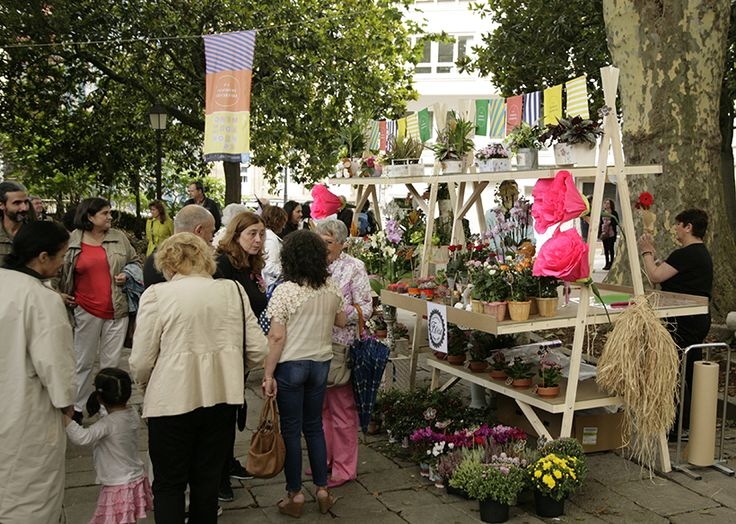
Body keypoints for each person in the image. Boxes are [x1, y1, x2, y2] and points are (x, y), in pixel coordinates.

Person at [130, 233, 267, 523]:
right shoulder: (232, 291)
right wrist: (228, 364)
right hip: (222, 398)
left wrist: (146, 384)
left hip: (170, 401)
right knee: (206, 485)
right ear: (206, 259)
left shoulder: (157, 295)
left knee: (169, 484)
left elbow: (141, 360)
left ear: (166, 262)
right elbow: (258, 350)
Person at [262, 230, 347, 518]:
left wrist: (268, 374)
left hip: (291, 365)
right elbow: (342, 320)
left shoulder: (285, 291)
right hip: (320, 363)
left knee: (290, 430)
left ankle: (295, 494)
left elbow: (276, 337)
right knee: (314, 427)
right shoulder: (330, 287)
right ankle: (323, 490)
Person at [0, 221, 76, 523]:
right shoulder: (42, 299)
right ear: (42, 257)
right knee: (29, 495)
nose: (63, 264)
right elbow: (56, 365)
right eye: (61, 257)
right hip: (26, 411)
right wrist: (67, 404)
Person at [59, 197, 139, 424]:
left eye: (109, 212)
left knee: (110, 364)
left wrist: (128, 274)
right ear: (90, 217)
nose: (110, 217)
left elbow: (135, 262)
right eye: (105, 213)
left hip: (116, 309)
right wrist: (59, 295)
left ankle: (108, 409)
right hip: (85, 309)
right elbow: (57, 271)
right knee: (82, 361)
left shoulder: (119, 238)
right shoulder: (72, 240)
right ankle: (77, 407)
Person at [638, 208, 712, 438]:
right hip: (698, 319)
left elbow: (656, 276)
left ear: (688, 227)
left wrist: (646, 252)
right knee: (687, 371)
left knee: (674, 371)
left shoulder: (686, 254)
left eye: (678, 225)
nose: (675, 229)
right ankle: (685, 422)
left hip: (683, 320)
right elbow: (673, 275)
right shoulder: (700, 253)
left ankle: (675, 423)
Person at [214, 211, 268, 501]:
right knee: (224, 413)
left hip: (242, 350)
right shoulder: (223, 264)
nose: (258, 240)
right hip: (226, 349)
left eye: (261, 234)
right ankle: (219, 477)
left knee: (234, 409)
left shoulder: (249, 264)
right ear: (235, 236)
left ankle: (228, 463)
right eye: (251, 234)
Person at [316, 219, 373, 488]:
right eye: (320, 241)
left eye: (328, 243)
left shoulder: (353, 267)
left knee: (341, 409)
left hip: (341, 347)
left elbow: (366, 308)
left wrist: (339, 314)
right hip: (313, 344)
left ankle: (344, 467)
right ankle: (323, 460)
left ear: (342, 244)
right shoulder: (313, 264)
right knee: (321, 408)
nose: (323, 247)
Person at [64, 368, 153, 524]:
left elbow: (82, 437)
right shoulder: (132, 414)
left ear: (100, 398)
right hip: (134, 477)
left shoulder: (107, 424)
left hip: (117, 484)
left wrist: (66, 420)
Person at [143, 204, 216, 288]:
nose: (213, 238)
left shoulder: (152, 262)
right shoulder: (204, 264)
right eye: (212, 232)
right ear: (199, 230)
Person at [0, 180, 30, 266]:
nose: (24, 208)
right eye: (17, 203)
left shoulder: (37, 233)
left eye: (26, 202)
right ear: (2, 205)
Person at [261, 205, 288, 288]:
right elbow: (268, 265)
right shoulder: (271, 239)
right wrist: (284, 272)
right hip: (271, 283)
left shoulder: (267, 235)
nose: (284, 226)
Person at [599, 198, 619, 270]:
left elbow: (617, 222)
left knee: (611, 249)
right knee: (606, 249)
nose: (606, 204)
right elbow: (600, 222)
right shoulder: (602, 212)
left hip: (611, 233)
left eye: (608, 203)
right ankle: (606, 263)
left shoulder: (614, 213)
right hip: (604, 233)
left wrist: (610, 223)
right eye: (605, 203)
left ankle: (611, 263)